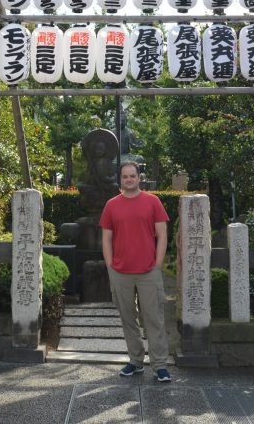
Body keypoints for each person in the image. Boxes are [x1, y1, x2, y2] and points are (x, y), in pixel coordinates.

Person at [99, 161, 171, 382]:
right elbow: (106, 238)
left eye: (132, 176)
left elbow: (162, 235)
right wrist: (111, 266)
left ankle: (160, 365)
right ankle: (136, 361)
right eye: (125, 177)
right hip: (120, 272)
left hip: (149, 271)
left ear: (139, 178)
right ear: (120, 179)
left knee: (154, 318)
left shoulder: (153, 202)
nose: (129, 180)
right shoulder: (111, 205)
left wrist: (157, 264)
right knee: (128, 318)